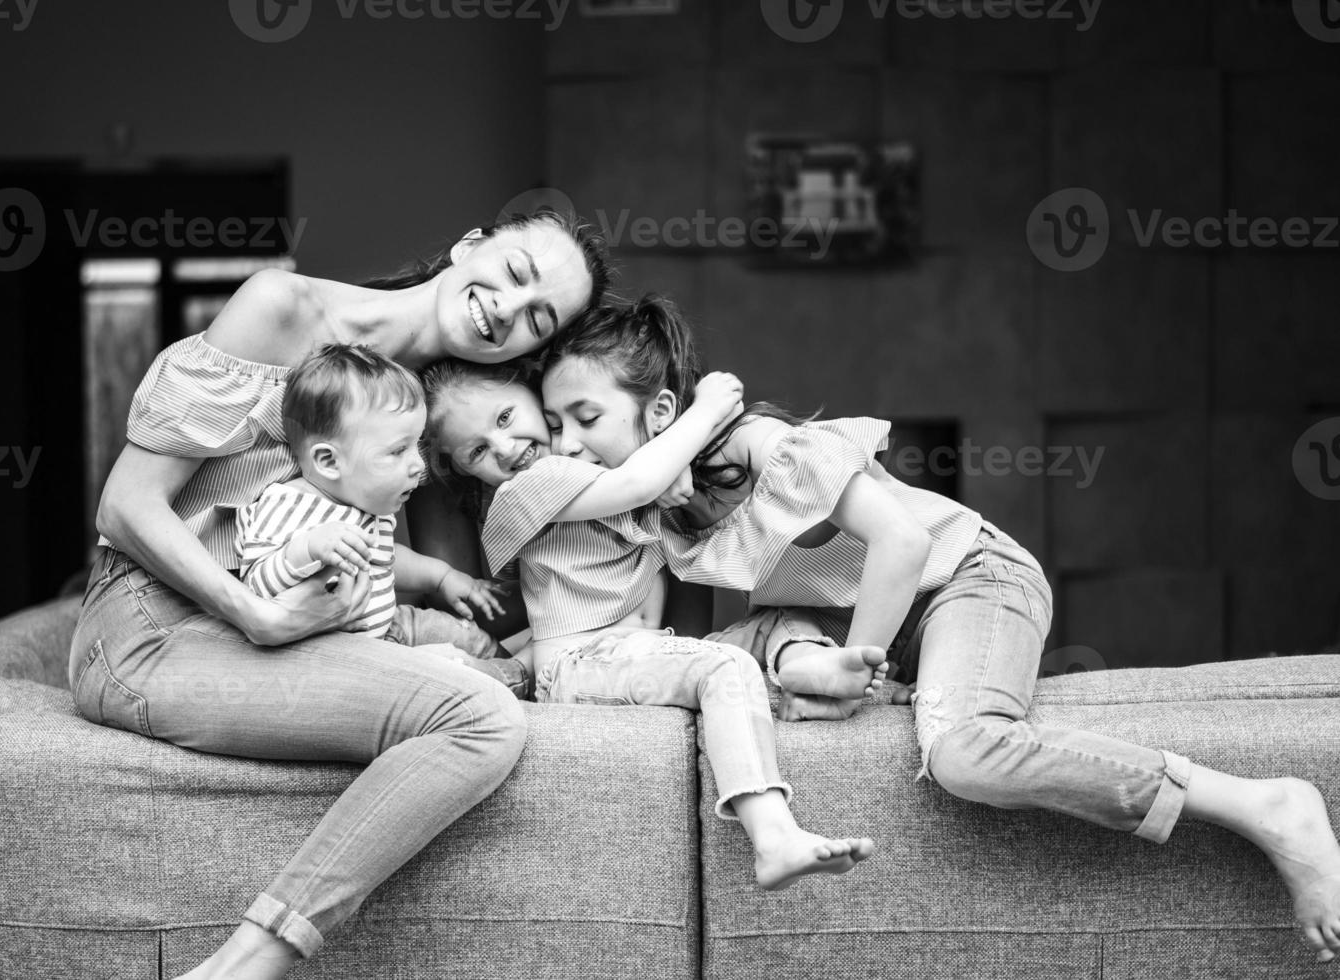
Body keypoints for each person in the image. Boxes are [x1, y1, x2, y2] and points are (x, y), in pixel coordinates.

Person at [538, 293, 1340, 964]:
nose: (565, 442)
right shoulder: (660, 514)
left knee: (963, 752)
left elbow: (905, 541)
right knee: (729, 654)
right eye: (553, 424)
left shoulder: (765, 449)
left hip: (969, 578)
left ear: (664, 410)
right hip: (857, 625)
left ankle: (1264, 803)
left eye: (584, 417)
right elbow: (698, 647)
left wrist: (864, 660)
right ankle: (823, 677)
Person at [72, 208, 612, 980]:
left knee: (487, 678)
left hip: (277, 629)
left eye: (539, 317)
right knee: (482, 720)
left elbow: (438, 586)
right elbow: (123, 508)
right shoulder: (282, 309)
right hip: (145, 630)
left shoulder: (420, 417)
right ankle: (239, 969)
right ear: (470, 246)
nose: (509, 308)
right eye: (517, 273)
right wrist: (254, 613)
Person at [424, 359, 876, 891]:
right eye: (476, 451)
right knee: (724, 665)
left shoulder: (606, 475)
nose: (502, 447)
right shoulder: (523, 492)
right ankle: (773, 836)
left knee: (777, 619)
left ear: (533, 399)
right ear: (464, 469)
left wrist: (672, 467)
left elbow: (642, 477)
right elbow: (639, 482)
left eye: (505, 417)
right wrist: (706, 411)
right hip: (580, 667)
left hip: (638, 652)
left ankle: (802, 666)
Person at [235, 342, 533, 697]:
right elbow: (256, 582)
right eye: (398, 450)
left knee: (464, 634)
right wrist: (307, 549)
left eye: (416, 447)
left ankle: (512, 673)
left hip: (391, 624)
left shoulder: (365, 505)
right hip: (347, 655)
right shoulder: (288, 503)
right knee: (446, 671)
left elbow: (387, 558)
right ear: (329, 462)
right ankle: (510, 683)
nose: (419, 465)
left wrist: (442, 578)